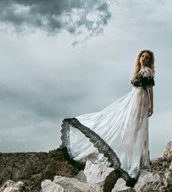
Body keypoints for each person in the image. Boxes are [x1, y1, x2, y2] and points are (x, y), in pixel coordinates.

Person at [61, 50, 154, 183]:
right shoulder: (138, 71)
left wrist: (151, 106)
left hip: (141, 99)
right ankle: (130, 157)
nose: (144, 59)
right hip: (134, 99)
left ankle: (136, 160)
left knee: (136, 128)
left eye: (147, 57)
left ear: (149, 61)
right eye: (142, 56)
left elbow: (150, 88)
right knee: (128, 125)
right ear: (139, 58)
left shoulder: (147, 71)